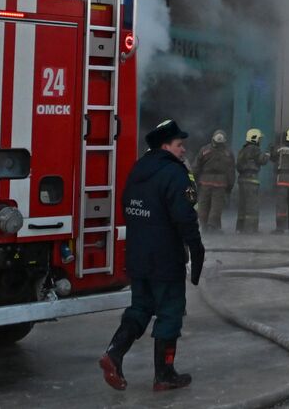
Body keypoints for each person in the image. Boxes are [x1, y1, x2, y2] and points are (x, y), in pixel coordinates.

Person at [99, 118, 204, 392]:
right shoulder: (175, 173)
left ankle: (113, 353)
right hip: (165, 258)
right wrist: (196, 247)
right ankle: (164, 375)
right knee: (170, 311)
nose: (183, 150)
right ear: (165, 145)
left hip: (138, 255)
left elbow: (127, 206)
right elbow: (184, 216)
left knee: (141, 307)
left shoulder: (138, 170)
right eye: (179, 145)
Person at [192, 130, 235, 232]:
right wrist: (230, 185)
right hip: (220, 183)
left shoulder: (204, 150)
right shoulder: (228, 153)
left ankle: (203, 225)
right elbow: (231, 171)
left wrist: (193, 180)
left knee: (203, 204)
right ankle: (213, 226)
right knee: (216, 206)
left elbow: (196, 167)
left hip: (205, 182)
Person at [235, 128, 270, 233]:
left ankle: (240, 228)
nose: (260, 141)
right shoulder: (254, 149)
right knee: (252, 206)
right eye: (259, 138)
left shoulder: (243, 150)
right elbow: (262, 160)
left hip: (242, 180)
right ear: (255, 138)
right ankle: (250, 229)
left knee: (242, 205)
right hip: (251, 180)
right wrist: (268, 153)